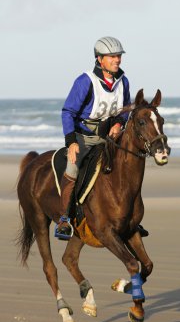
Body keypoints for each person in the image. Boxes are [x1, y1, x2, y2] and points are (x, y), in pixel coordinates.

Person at [55, 36, 148, 240]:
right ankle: (64, 219)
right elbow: (68, 112)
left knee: (127, 165)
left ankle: (129, 219)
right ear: (100, 59)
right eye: (113, 56)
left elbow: (125, 110)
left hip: (109, 138)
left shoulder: (123, 81)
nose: (117, 60)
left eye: (119, 56)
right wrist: (71, 142)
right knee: (72, 168)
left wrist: (118, 123)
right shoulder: (85, 81)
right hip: (84, 137)